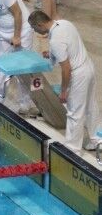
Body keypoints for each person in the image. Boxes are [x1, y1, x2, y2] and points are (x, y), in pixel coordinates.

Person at [28, 10, 102, 152]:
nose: (34, 31)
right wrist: (52, 53)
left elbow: (66, 69)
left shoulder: (55, 40)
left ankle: (72, 150)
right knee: (91, 106)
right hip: (88, 67)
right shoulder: (64, 23)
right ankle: (96, 140)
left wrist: (63, 91)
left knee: (74, 112)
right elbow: (69, 44)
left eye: (34, 27)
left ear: (39, 24)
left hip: (78, 74)